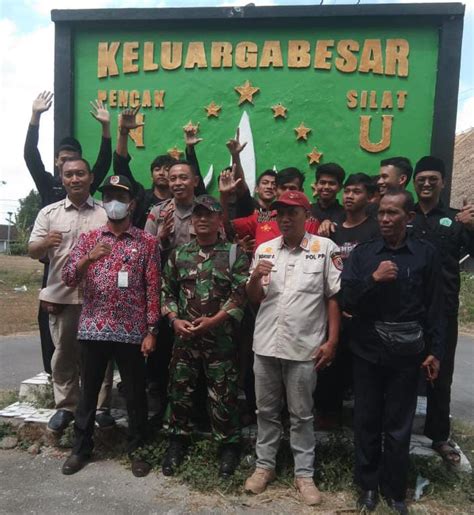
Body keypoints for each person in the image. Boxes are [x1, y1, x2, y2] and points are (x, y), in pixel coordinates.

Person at [341, 188, 444, 514]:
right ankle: (368, 487)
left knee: (399, 426)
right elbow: (347, 299)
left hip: (408, 354)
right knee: (367, 421)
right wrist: (374, 277)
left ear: (408, 217)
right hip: (367, 350)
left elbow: (435, 307)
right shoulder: (364, 254)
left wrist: (434, 350)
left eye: (393, 213)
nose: (385, 219)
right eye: (382, 213)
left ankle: (395, 490)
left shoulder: (425, 254)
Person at [244, 190, 341, 506]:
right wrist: (256, 278)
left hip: (304, 347)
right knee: (266, 412)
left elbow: (333, 297)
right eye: (280, 213)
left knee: (301, 415)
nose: (285, 218)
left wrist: (332, 341)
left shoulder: (323, 248)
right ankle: (264, 467)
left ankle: (304, 475)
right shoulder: (265, 249)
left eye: (292, 212)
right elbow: (254, 297)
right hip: (266, 346)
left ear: (306, 215)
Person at [60, 175, 160, 477]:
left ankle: (138, 450)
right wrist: (87, 260)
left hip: (131, 332)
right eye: (108, 195)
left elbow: (153, 288)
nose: (113, 201)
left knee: (135, 394)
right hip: (93, 329)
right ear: (103, 202)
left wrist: (151, 330)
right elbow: (67, 277)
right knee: (88, 392)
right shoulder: (89, 239)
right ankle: (80, 449)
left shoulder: (146, 242)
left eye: (120, 196)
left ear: (131, 203)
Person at [160, 195, 249, 478]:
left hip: (221, 340)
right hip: (185, 340)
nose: (201, 220)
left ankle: (228, 447)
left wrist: (214, 321)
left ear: (218, 220)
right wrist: (174, 319)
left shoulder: (234, 253)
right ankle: (177, 441)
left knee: (224, 395)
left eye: (208, 215)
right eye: (197, 215)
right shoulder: (179, 254)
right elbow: (167, 292)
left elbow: (240, 295)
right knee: (180, 392)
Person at [24, 91, 112, 377]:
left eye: (76, 166)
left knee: (93, 338)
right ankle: (54, 376)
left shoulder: (91, 195)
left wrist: (106, 129)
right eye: (64, 163)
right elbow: (30, 156)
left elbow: (102, 162)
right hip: (55, 267)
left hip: (92, 278)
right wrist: (35, 117)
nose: (71, 172)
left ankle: (93, 389)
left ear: (85, 174)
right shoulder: (49, 187)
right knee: (51, 324)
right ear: (58, 167)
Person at [28, 158, 112, 434]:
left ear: (90, 178)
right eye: (69, 175)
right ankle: (66, 407)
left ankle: (100, 408)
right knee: (64, 353)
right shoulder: (49, 214)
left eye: (80, 174)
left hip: (98, 297)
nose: (75, 179)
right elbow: (33, 251)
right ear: (62, 179)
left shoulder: (105, 213)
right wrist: (45, 242)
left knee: (100, 354)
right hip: (62, 296)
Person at [410, 156, 474, 466]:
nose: (426, 183)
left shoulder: (455, 221)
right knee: (403, 371)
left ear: (443, 183)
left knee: (441, 374)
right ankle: (397, 430)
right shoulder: (404, 219)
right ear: (413, 182)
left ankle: (439, 436)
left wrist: (473, 228)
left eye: (432, 178)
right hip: (408, 309)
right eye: (421, 178)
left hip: (443, 310)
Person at [314, 173, 380, 427]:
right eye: (348, 191)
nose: (350, 196)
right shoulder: (333, 226)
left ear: (369, 197)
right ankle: (328, 413)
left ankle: (363, 418)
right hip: (333, 305)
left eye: (357, 191)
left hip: (363, 309)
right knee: (331, 361)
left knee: (360, 367)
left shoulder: (374, 229)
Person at [113, 106, 206, 229]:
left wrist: (190, 149)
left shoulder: (182, 197)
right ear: (151, 176)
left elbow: (195, 182)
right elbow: (121, 168)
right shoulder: (141, 196)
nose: (162, 173)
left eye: (167, 169)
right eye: (157, 169)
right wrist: (123, 133)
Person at [223, 167, 320, 249]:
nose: (287, 192)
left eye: (292, 188)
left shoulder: (311, 222)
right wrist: (223, 195)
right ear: (275, 190)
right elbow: (227, 228)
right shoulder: (260, 218)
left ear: (301, 191)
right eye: (283, 188)